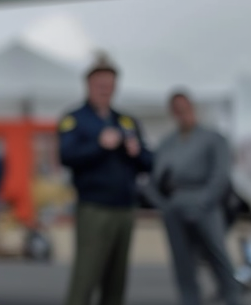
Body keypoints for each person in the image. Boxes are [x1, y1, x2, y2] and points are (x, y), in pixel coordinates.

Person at [58, 51, 154, 305]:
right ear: (89, 84)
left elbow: (149, 162)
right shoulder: (75, 119)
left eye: (110, 85)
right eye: (100, 84)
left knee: (117, 280)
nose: (105, 89)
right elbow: (66, 155)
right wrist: (99, 144)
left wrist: (136, 152)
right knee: (86, 277)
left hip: (124, 208)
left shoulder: (126, 121)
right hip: (94, 208)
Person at [152, 90, 243, 305]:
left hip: (205, 204)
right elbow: (155, 177)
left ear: (191, 107)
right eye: (176, 108)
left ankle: (232, 297)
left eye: (184, 106)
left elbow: (221, 174)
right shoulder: (168, 142)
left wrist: (204, 201)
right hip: (175, 205)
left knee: (217, 256)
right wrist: (163, 204)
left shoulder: (212, 138)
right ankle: (189, 300)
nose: (181, 112)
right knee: (183, 262)